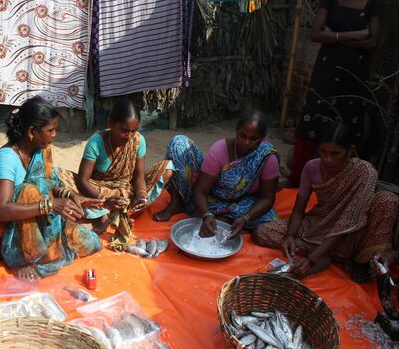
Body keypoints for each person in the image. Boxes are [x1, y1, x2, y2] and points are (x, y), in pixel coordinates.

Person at [253, 122, 399, 281]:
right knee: (262, 232)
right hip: (319, 227)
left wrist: (311, 259)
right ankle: (330, 255)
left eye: (336, 153)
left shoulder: (365, 172)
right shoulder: (311, 167)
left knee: (388, 200)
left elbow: (348, 221)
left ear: (350, 151)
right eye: (323, 152)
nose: (328, 159)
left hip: (352, 233)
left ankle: (356, 260)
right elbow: (299, 208)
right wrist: (290, 235)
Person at [0, 97, 104, 280]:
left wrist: (71, 195)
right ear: (32, 131)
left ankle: (41, 249)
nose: (54, 135)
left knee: (89, 243)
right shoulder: (7, 159)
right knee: (28, 191)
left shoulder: (41, 149)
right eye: (50, 130)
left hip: (34, 216)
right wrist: (51, 206)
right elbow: (1, 211)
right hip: (2, 226)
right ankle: (21, 257)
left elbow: (51, 183)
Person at [289, 0, 382, 187]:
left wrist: (334, 37)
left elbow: (373, 42)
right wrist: (356, 34)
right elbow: (315, 34)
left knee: (347, 123)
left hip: (354, 75)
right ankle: (299, 182)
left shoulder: (373, 3)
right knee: (314, 118)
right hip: (327, 71)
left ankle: (341, 187)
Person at [58, 98, 173, 251]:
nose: (129, 136)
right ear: (110, 123)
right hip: (98, 191)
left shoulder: (138, 141)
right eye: (124, 130)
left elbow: (138, 177)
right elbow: (82, 181)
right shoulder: (96, 142)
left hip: (126, 191)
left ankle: (113, 213)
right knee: (57, 176)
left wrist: (141, 194)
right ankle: (110, 212)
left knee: (167, 169)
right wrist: (105, 200)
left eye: (133, 131)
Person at [155, 111, 279, 240]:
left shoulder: (267, 157)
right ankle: (178, 203)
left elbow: (267, 199)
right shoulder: (220, 150)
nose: (247, 142)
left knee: (268, 220)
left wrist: (246, 218)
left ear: (263, 137)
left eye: (254, 139)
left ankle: (225, 219)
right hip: (211, 197)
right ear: (236, 131)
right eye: (242, 136)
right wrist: (207, 214)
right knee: (179, 143)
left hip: (241, 203)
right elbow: (200, 191)